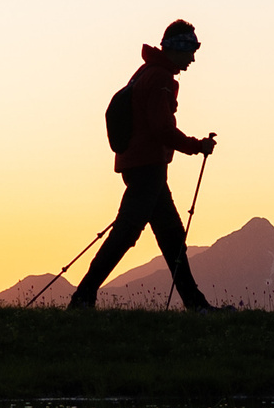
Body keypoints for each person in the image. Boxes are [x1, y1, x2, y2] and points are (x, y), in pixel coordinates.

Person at [69, 19, 220, 312]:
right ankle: (83, 296)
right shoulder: (161, 79)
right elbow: (161, 128)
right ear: (177, 47)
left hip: (138, 165)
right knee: (126, 234)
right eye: (191, 49)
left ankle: (195, 304)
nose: (193, 57)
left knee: (171, 236)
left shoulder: (145, 73)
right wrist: (196, 146)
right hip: (147, 167)